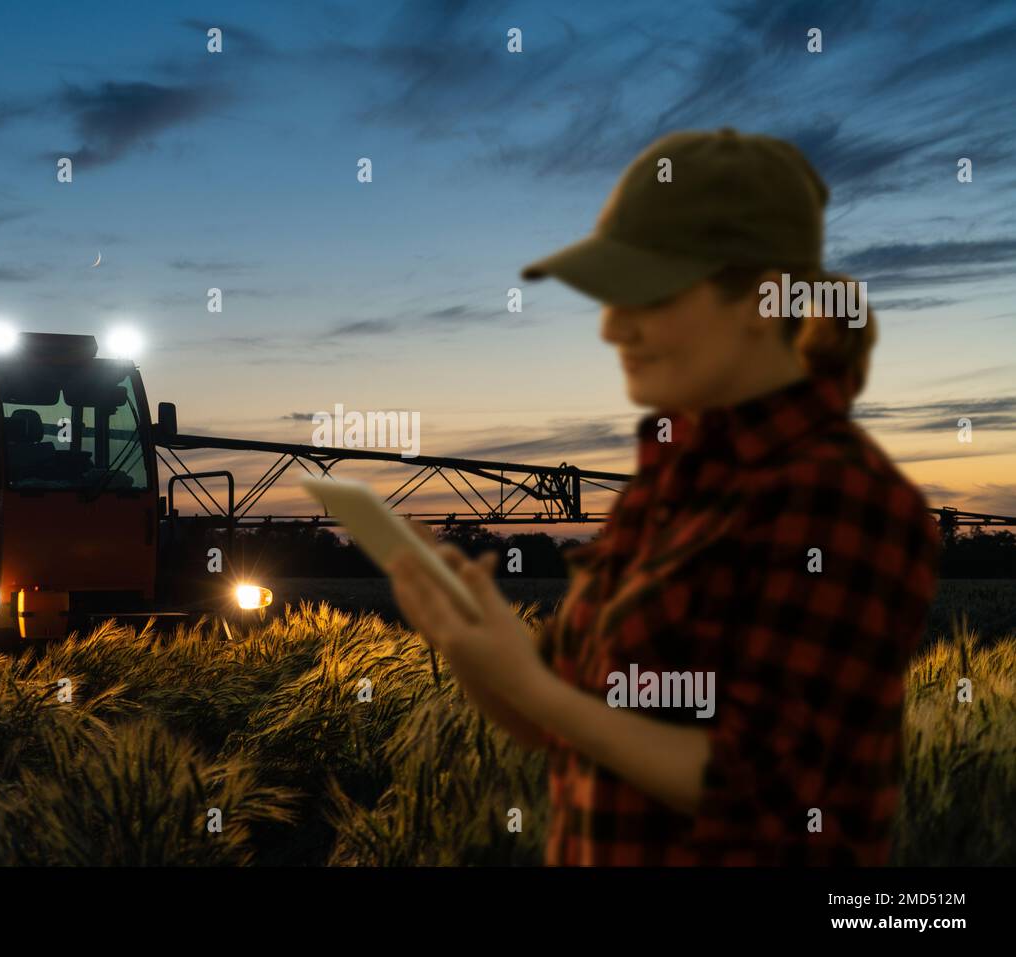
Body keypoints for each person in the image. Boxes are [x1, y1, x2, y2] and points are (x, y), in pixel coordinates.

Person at [384, 128, 940, 865]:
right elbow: (575, 725)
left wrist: (536, 687)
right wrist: (467, 644)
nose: (614, 327)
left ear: (760, 300)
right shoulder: (668, 486)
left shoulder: (841, 497)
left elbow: (766, 789)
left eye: (649, 292)